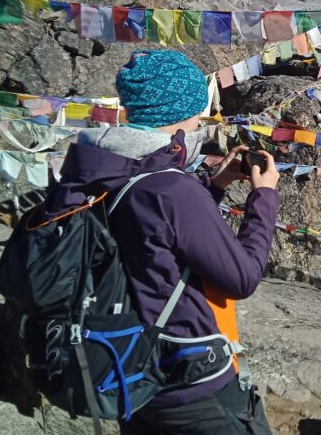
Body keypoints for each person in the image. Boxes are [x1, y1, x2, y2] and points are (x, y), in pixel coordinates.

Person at [46, 50, 280, 433]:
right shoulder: (171, 190)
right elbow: (242, 278)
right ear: (180, 112)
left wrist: (214, 184)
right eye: (198, 112)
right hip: (186, 379)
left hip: (127, 370)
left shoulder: (96, 166)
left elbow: (150, 228)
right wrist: (264, 197)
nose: (201, 122)